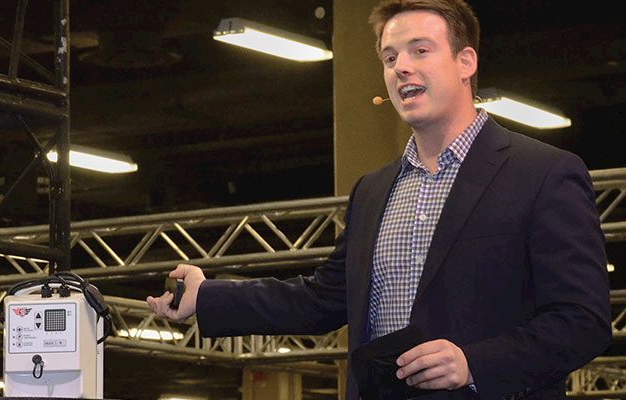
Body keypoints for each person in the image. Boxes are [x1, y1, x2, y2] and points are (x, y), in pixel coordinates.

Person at [147, 0, 612, 398]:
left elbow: (583, 320)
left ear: (466, 61)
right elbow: (321, 299)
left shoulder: (543, 173)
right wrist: (207, 296)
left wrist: (473, 364)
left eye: (420, 51)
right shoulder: (373, 190)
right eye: (389, 57)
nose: (401, 67)